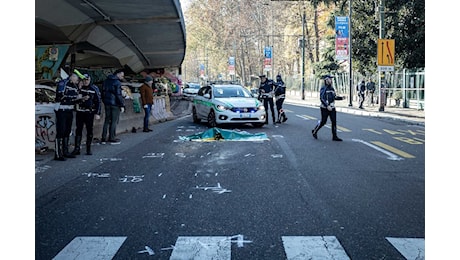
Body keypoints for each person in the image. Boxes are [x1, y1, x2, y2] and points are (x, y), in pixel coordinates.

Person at [71, 74, 102, 155]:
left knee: (89, 130)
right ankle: (77, 148)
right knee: (78, 130)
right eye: (84, 80)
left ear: (90, 80)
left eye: (87, 80)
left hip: (89, 112)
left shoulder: (94, 88)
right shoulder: (79, 88)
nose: (85, 82)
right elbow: (73, 98)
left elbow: (98, 101)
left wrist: (97, 113)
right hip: (80, 111)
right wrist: (79, 90)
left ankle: (88, 148)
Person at [53, 72, 81, 160]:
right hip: (62, 110)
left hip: (70, 110)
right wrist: (74, 98)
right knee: (61, 130)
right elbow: (60, 96)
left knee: (67, 131)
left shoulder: (74, 86)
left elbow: (74, 98)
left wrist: (79, 99)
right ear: (72, 77)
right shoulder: (64, 83)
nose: (77, 81)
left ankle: (65, 151)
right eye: (76, 79)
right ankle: (58, 153)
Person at [311, 75, 343, 141]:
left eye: (331, 79)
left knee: (334, 121)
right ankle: (315, 131)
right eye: (329, 79)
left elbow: (334, 97)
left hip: (332, 107)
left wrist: (341, 98)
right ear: (326, 80)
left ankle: (334, 136)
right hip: (324, 108)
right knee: (323, 121)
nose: (331, 80)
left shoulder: (332, 88)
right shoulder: (323, 88)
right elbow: (322, 98)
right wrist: (327, 106)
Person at [101, 69, 126, 143]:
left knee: (107, 120)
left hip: (107, 103)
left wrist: (104, 101)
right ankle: (112, 137)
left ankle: (103, 137)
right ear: (117, 74)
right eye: (121, 75)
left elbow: (103, 92)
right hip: (115, 104)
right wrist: (122, 104)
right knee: (114, 121)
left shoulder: (106, 81)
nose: (122, 77)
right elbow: (118, 95)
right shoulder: (117, 82)